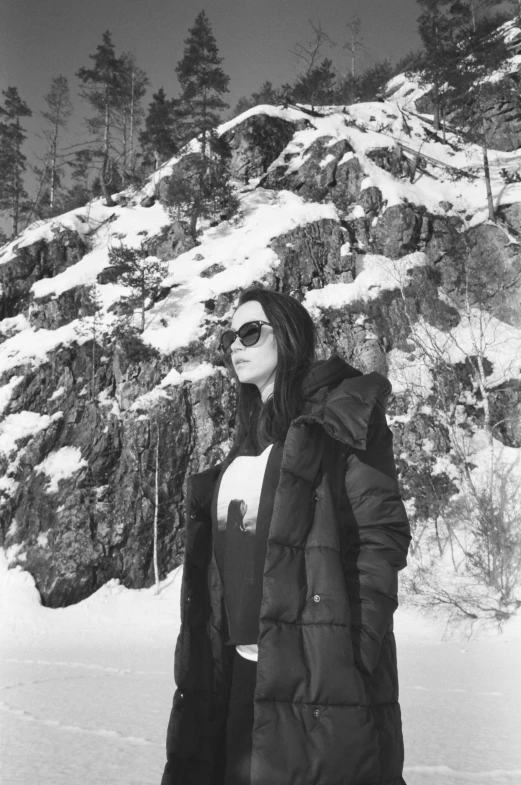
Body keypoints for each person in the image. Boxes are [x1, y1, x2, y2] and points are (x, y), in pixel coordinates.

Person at [161, 286, 411, 785]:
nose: (235, 345)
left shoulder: (339, 421)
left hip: (315, 671)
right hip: (234, 672)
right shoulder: (246, 443)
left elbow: (380, 534)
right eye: (229, 336)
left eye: (250, 332)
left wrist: (354, 649)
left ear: (289, 336)